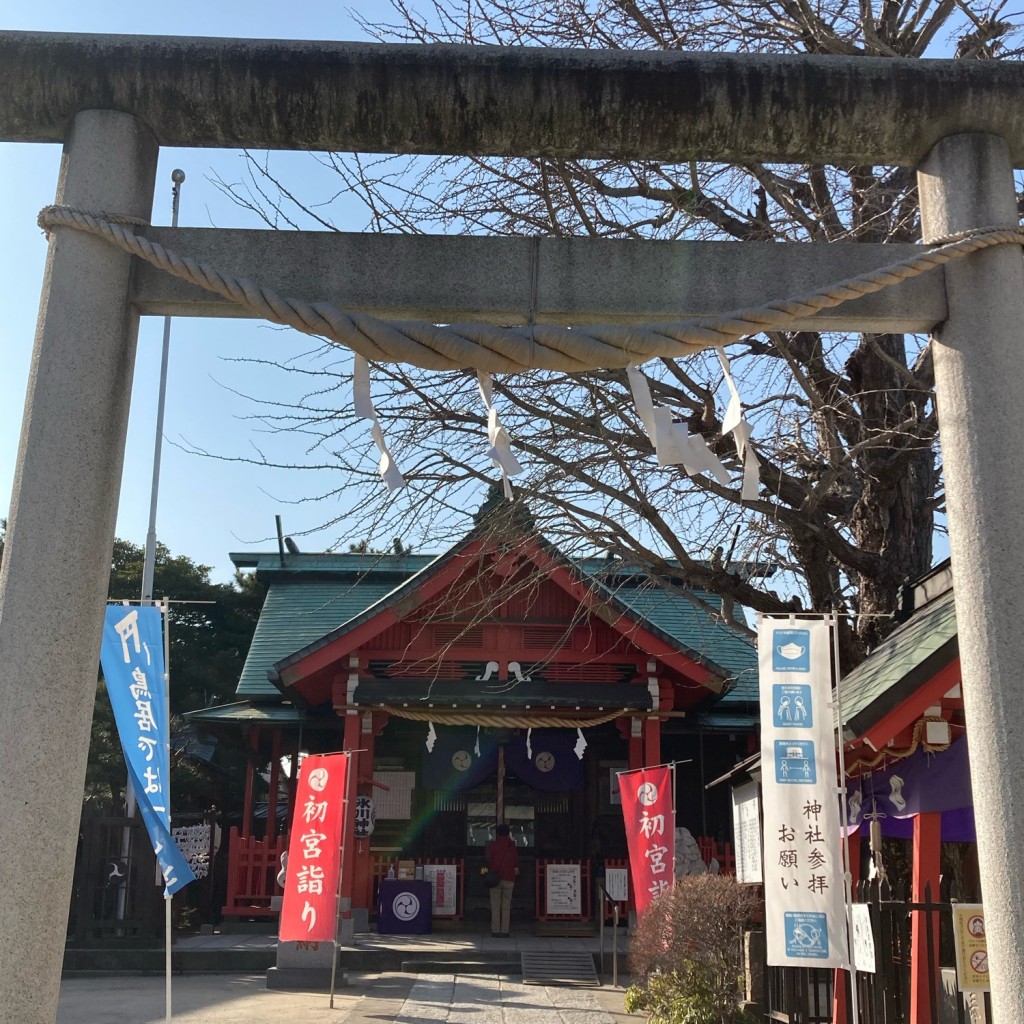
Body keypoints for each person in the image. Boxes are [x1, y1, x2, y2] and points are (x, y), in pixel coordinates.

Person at [487, 823, 518, 937]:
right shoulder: (512, 846)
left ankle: (495, 930)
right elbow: (515, 861)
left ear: (498, 833)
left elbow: (490, 861)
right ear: (508, 833)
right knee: (506, 905)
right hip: (509, 878)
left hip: (495, 878)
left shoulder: (494, 845)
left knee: (495, 905)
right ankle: (505, 931)